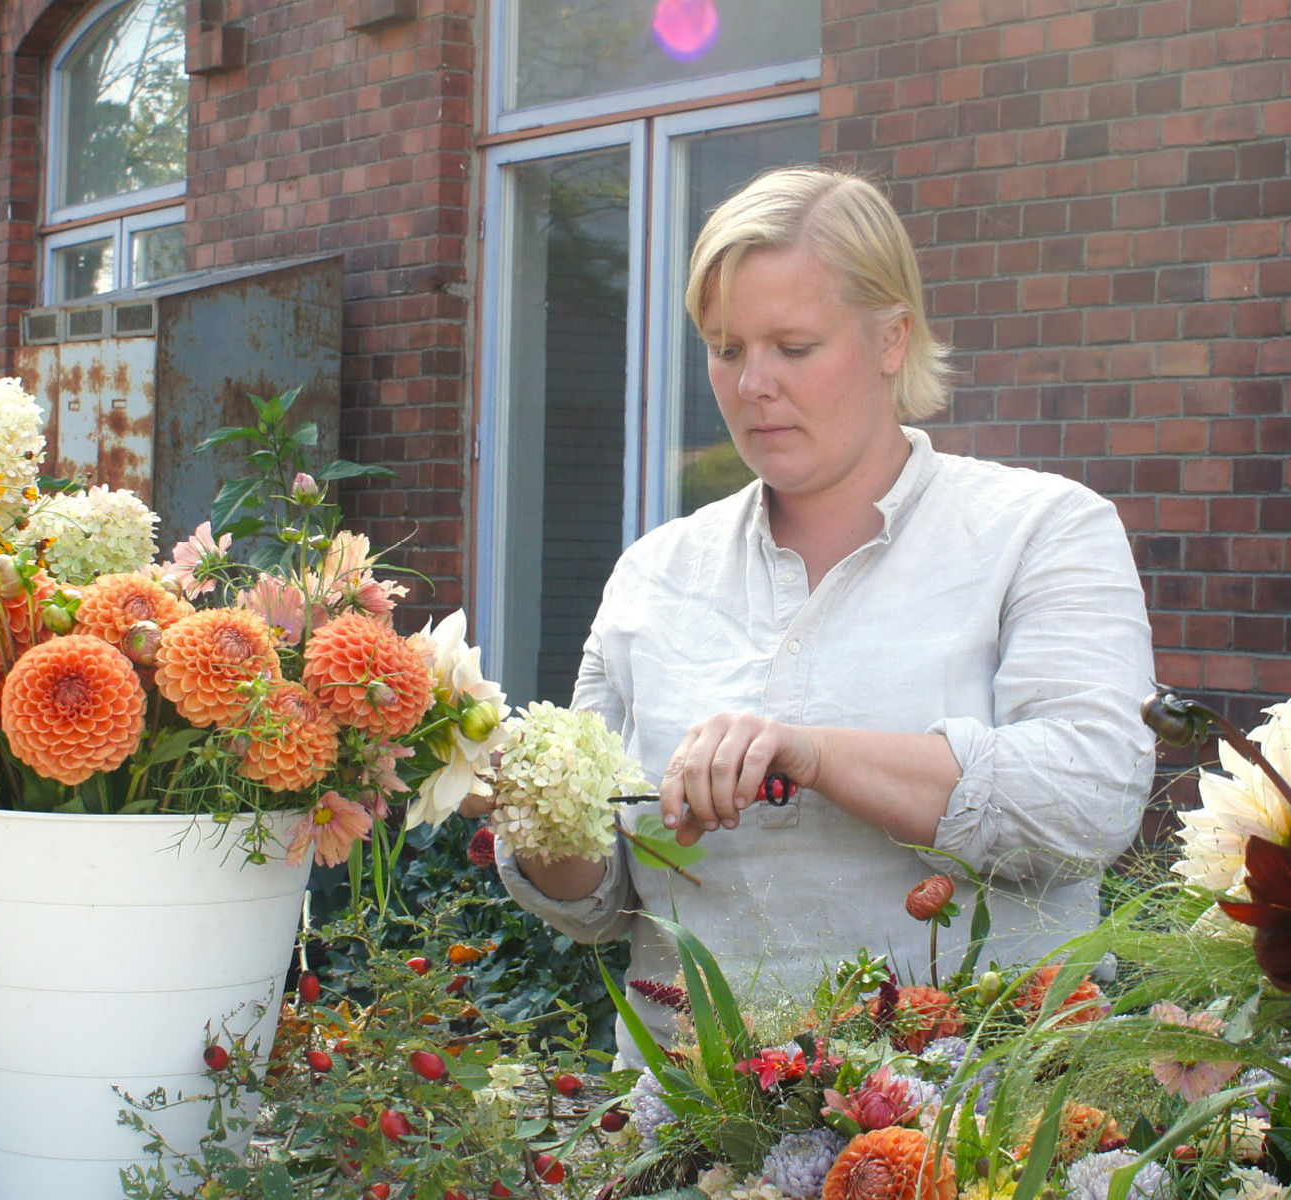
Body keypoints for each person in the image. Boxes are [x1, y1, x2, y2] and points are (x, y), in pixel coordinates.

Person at [492, 166, 1155, 1051]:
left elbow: (1088, 803)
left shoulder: (1040, 530)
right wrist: (532, 802)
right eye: (726, 349)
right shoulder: (654, 573)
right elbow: (601, 898)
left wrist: (812, 753)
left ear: (892, 339)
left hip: (979, 1125)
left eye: (793, 348)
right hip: (695, 1131)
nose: (751, 384)